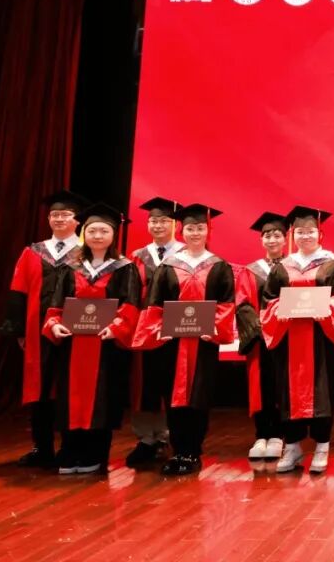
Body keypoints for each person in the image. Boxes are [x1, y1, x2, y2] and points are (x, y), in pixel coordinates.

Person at [132, 203, 236, 475]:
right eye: (190, 228)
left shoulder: (219, 266)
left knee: (198, 396)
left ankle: (192, 452)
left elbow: (226, 305)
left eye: (200, 228)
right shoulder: (168, 267)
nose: (195, 233)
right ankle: (178, 451)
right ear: (182, 231)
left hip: (203, 343)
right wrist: (159, 329)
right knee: (173, 396)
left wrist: (213, 328)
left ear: (208, 230)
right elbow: (155, 304)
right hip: (172, 344)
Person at [43, 203, 142, 474]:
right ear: (84, 233)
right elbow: (56, 305)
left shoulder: (124, 268)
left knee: (102, 399)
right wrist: (54, 325)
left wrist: (117, 327)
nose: (98, 236)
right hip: (73, 345)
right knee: (70, 397)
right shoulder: (69, 267)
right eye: (92, 230)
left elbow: (131, 305)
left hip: (106, 346)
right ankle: (69, 450)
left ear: (113, 235)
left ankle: (94, 453)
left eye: (104, 231)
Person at [261, 206, 334, 475]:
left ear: (320, 233)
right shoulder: (282, 266)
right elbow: (268, 300)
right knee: (287, 391)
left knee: (322, 390)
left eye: (310, 231)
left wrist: (328, 307)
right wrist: (279, 310)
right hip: (289, 339)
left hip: (321, 339)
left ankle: (322, 446)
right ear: (293, 235)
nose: (305, 236)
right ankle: (292, 446)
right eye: (300, 232)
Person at [2, 189, 88, 468]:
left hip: (75, 331)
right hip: (36, 332)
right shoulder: (32, 252)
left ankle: (70, 448)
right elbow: (18, 291)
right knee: (40, 390)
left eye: (65, 214)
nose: (59, 219)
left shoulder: (88, 253)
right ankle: (42, 447)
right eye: (54, 215)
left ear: (77, 220)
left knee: (68, 388)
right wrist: (19, 331)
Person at [125, 197, 182, 467]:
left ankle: (173, 434)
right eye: (153, 221)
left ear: (175, 224)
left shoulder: (187, 254)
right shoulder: (137, 256)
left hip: (178, 329)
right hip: (145, 329)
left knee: (173, 383)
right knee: (144, 385)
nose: (158, 225)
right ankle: (147, 437)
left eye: (164, 221)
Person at [234, 211, 287, 462]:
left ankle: (279, 435)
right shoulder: (251, 271)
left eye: (277, 235)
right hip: (259, 339)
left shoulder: (292, 268)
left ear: (285, 239)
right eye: (267, 236)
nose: (272, 240)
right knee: (261, 384)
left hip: (286, 336)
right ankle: (261, 434)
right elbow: (243, 303)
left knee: (282, 384)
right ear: (261, 240)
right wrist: (261, 328)